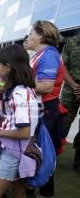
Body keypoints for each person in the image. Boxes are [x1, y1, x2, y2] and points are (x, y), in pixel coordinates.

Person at [0, 44, 39, 198]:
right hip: (17, 150)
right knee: (18, 190)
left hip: (14, 152)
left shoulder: (19, 94)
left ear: (8, 67)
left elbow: (24, 132)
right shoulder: (21, 90)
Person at [27, 20, 65, 198]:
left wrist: (19, 82)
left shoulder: (48, 54)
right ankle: (32, 187)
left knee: (45, 155)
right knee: (35, 152)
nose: (28, 36)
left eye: (31, 33)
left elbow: (46, 86)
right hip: (39, 109)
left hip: (47, 111)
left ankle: (46, 194)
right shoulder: (39, 54)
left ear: (40, 35)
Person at [61, 34, 80, 173]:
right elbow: (62, 67)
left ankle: (78, 160)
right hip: (70, 88)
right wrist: (74, 86)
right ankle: (51, 155)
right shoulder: (72, 42)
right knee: (63, 122)